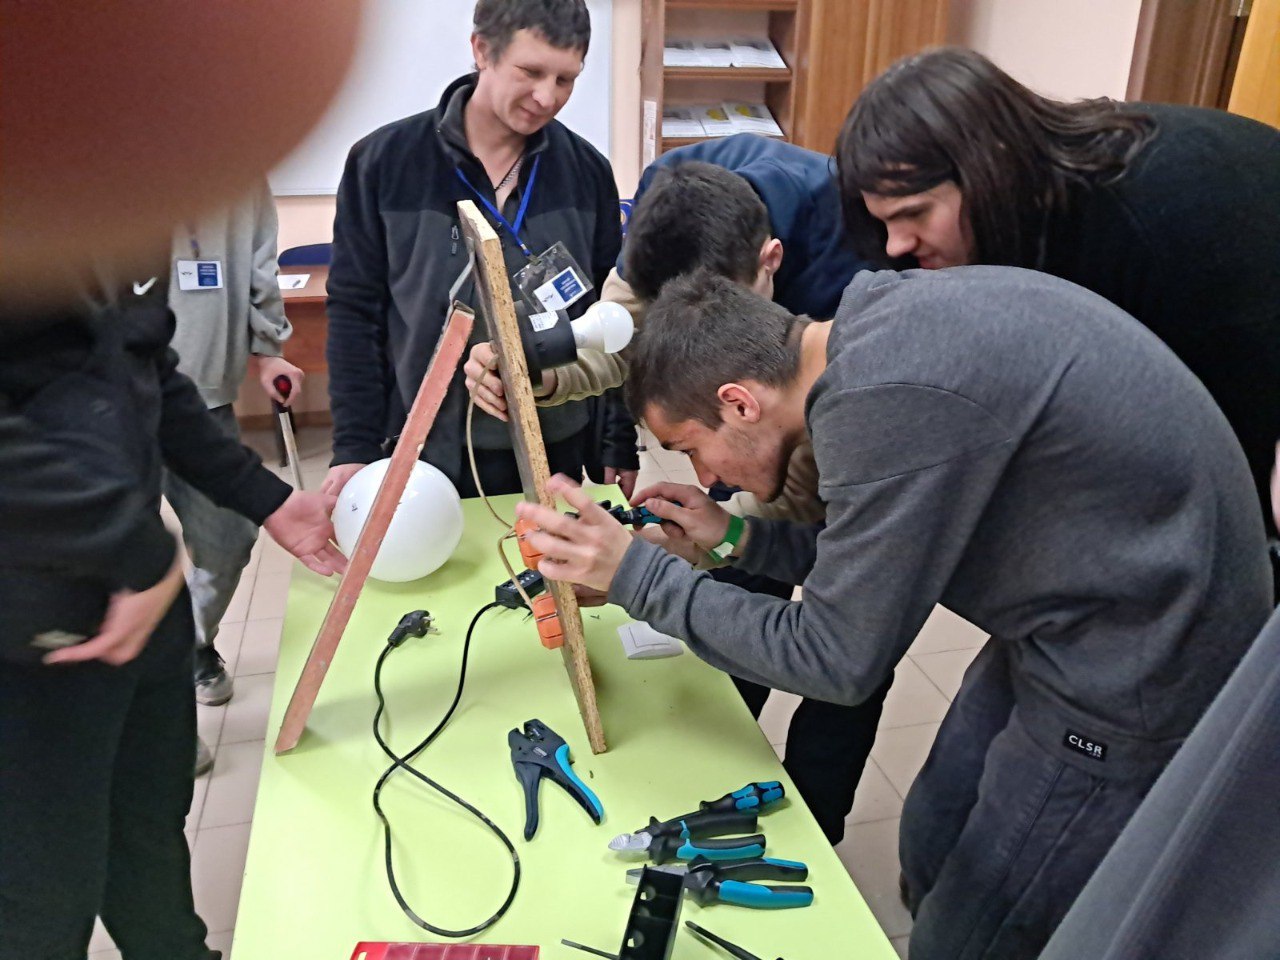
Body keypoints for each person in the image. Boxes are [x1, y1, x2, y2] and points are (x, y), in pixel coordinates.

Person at [510, 267, 1273, 959]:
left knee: (973, 930)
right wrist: (736, 538)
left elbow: (835, 658)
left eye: (692, 448)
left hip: (1144, 661)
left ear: (738, 402)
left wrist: (638, 577)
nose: (703, 474)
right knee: (933, 833)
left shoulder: (881, 404)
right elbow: (875, 566)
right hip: (1070, 613)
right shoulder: (863, 334)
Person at [466, 138, 881, 842]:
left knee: (849, 650)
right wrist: (540, 375)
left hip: (855, 457)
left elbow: (836, 613)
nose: (701, 472)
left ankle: (817, 823)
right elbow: (619, 342)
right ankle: (729, 762)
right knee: (743, 588)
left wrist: (685, 555)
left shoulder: (852, 264)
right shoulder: (664, 222)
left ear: (772, 262)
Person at [835, 47, 1280, 594]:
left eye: (914, 214)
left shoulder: (1149, 221)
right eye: (885, 222)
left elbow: (1219, 457)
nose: (897, 244)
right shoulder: (1022, 220)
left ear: (990, 169)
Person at [0, 287, 343, 960]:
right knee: (42, 892)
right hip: (29, 625)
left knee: (150, 830)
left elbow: (144, 366)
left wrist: (264, 497)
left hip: (139, 601)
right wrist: (133, 547)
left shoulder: (116, 229)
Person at [324, 0, 635, 503]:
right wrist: (353, 446)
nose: (547, 97)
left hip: (556, 439)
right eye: (530, 72)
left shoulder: (588, 172)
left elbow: (610, 313)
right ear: (482, 50)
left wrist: (617, 439)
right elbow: (355, 312)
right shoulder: (383, 163)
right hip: (427, 444)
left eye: (566, 79)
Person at [161, 179, 304, 721]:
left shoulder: (235, 164)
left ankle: (189, 646)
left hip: (201, 396)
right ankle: (154, 706)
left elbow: (259, 258)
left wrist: (268, 350)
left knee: (228, 537)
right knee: (115, 557)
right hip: (98, 401)